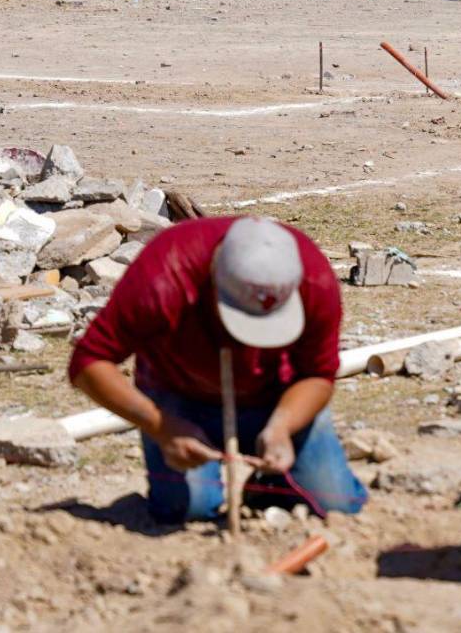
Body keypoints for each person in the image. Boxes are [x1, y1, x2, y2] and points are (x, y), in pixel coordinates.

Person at [68, 216, 368, 523]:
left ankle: (269, 488)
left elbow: (319, 374)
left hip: (276, 397)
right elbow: (88, 361)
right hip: (179, 395)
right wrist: (162, 426)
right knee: (188, 512)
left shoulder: (312, 278)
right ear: (213, 277)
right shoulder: (166, 271)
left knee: (338, 504)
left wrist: (282, 427)